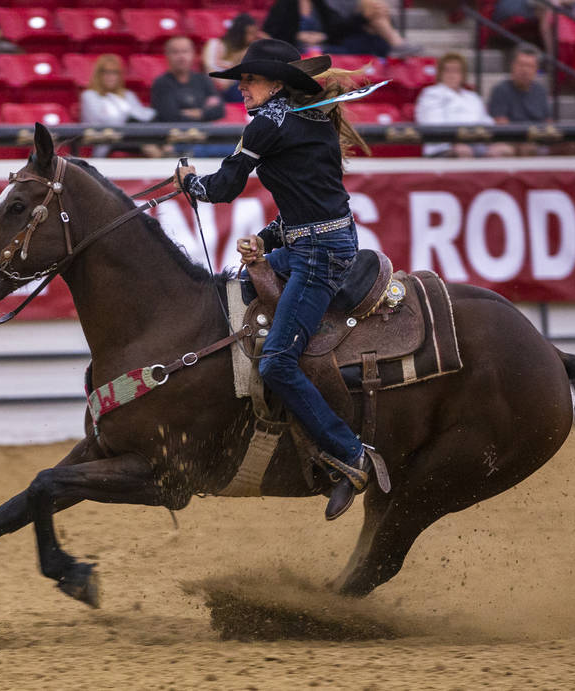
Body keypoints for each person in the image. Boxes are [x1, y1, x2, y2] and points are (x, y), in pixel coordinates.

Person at [174, 38, 376, 521]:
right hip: (318, 241)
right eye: (241, 81)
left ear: (277, 82)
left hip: (317, 255)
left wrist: (187, 182)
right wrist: (270, 237)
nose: (242, 89)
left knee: (279, 361)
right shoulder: (306, 117)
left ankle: (350, 455)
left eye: (250, 80)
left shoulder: (269, 122)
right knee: (243, 296)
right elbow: (311, 194)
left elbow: (222, 188)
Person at [151, 35, 228, 157]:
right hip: (177, 140)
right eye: (175, 52)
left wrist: (197, 113)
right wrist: (204, 111)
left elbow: (220, 110)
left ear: (193, 54)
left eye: (185, 51)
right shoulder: (162, 83)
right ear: (167, 56)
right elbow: (170, 116)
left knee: (235, 148)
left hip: (206, 137)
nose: (181, 57)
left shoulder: (203, 80)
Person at [263, 0, 421, 58]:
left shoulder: (321, 4)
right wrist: (298, 35)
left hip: (325, 46)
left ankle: (393, 46)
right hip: (296, 49)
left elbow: (335, 30)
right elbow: (271, 34)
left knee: (373, 42)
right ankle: (396, 45)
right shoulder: (284, 4)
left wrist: (322, 36)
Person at [414, 52, 497, 157]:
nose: (451, 75)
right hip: (443, 148)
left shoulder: (473, 97)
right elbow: (433, 125)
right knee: (463, 150)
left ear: (463, 75)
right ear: (440, 73)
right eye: (447, 70)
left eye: (456, 71)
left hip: (476, 143)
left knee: (502, 150)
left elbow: (487, 122)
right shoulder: (431, 94)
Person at [79, 53, 162, 158]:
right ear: (98, 75)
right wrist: (128, 117)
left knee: (150, 135)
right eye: (106, 72)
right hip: (109, 141)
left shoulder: (127, 95)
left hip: (133, 137)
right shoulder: (90, 96)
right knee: (147, 145)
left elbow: (146, 115)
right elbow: (99, 123)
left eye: (115, 73)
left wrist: (129, 118)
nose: (111, 77)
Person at [486, 44, 559, 156]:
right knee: (526, 148)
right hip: (512, 140)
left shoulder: (540, 91)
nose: (525, 70)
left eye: (529, 66)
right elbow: (501, 124)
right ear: (513, 66)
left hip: (538, 140)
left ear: (536, 69)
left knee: (569, 145)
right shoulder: (500, 90)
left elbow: (548, 123)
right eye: (521, 65)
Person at [202, 12, 262, 104]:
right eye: (250, 33)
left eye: (255, 34)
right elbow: (211, 73)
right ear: (239, 34)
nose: (253, 38)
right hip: (217, 90)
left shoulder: (247, 52)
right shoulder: (215, 44)